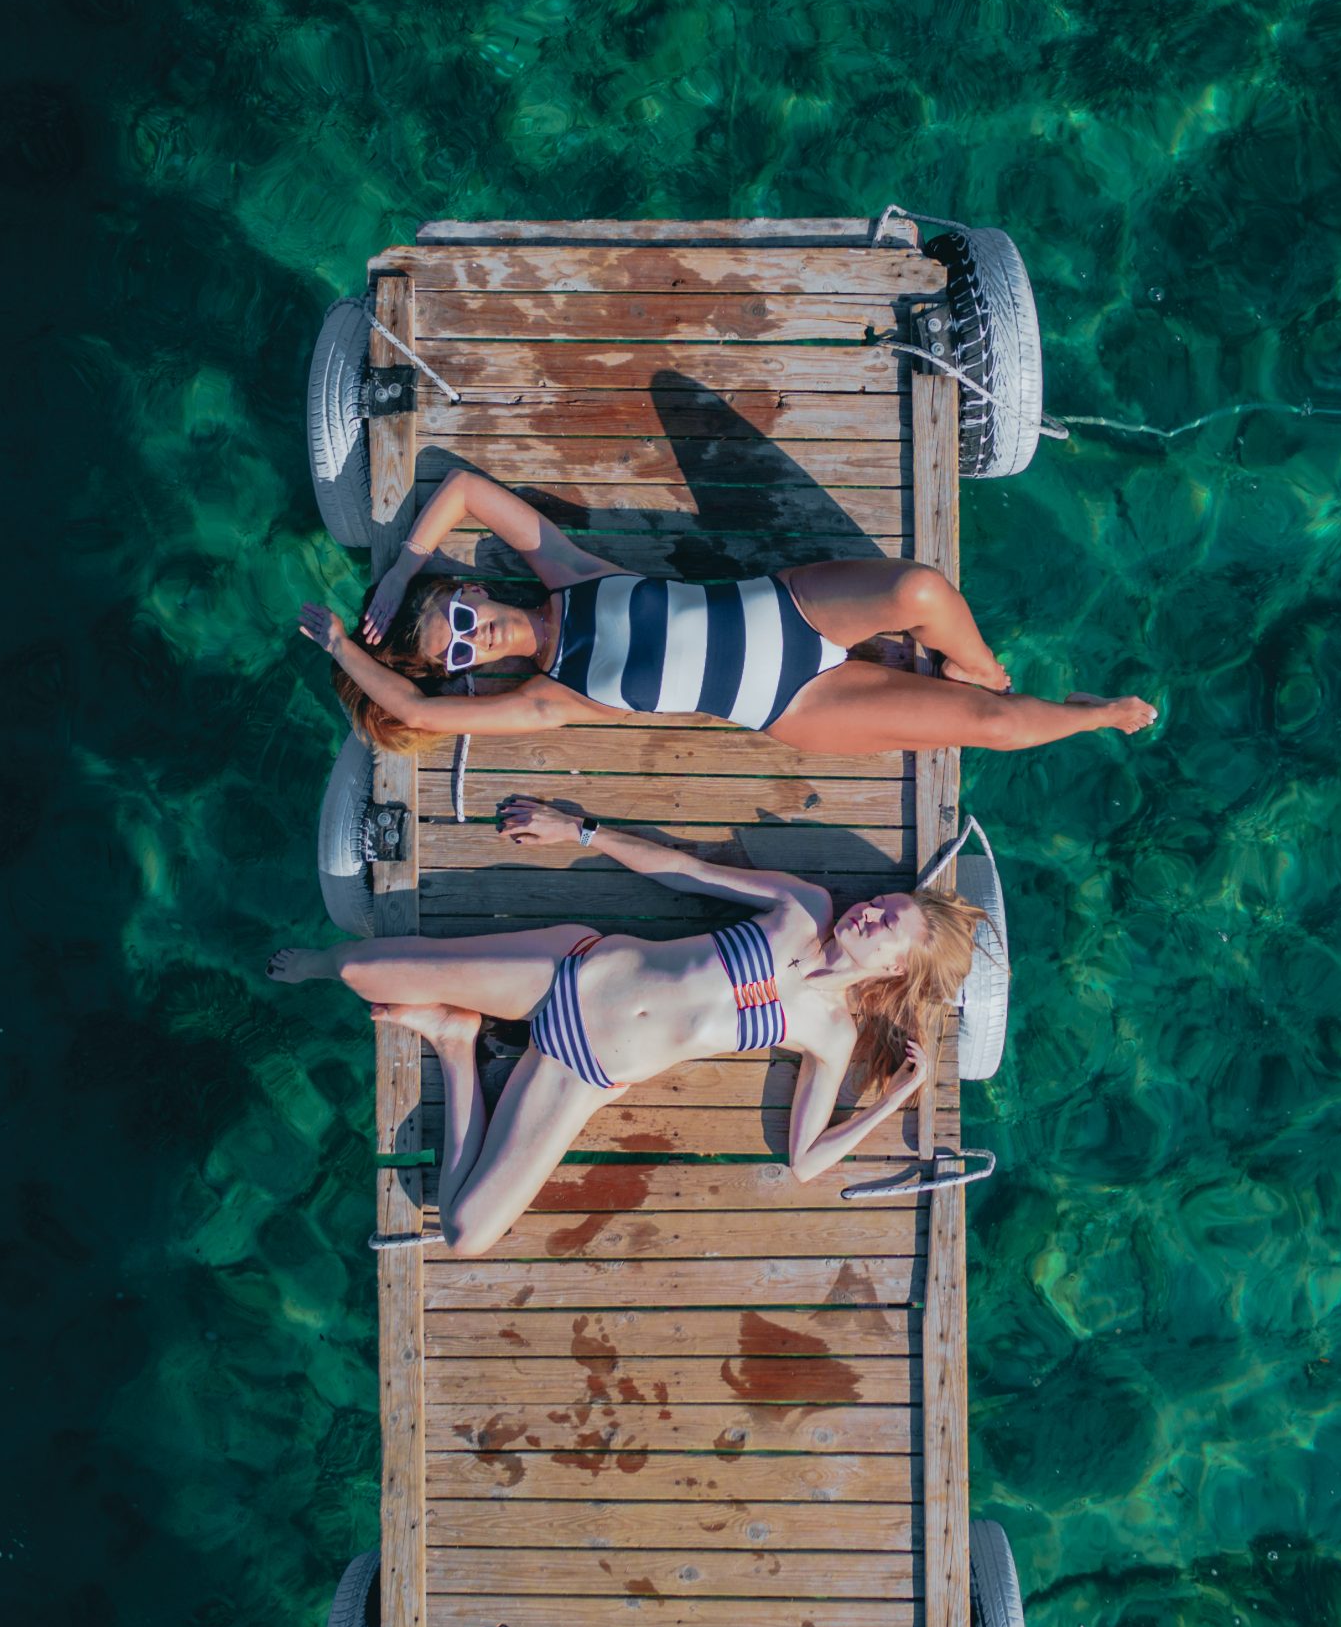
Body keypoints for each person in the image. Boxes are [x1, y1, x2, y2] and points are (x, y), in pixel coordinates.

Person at [267, 796, 985, 1254]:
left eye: (887, 923)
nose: (870, 911)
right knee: (357, 969)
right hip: (572, 971)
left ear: (897, 968)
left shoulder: (831, 1037)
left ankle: (455, 1043)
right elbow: (684, 871)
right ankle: (322, 965)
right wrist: (579, 830)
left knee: (465, 1232)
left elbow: (804, 1163)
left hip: (584, 1070)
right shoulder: (804, 907)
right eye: (884, 902)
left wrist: (893, 1098)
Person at [296, 461, 1157, 757]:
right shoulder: (550, 698)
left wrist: (401, 573)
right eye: (458, 653)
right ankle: (1093, 714)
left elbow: (465, 489)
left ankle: (984, 667)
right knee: (992, 730)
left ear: (471, 591)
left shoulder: (568, 572)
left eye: (458, 619)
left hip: (792, 611)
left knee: (920, 591)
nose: (472, 638)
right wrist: (341, 648)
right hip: (796, 704)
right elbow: (413, 711)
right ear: (466, 672)